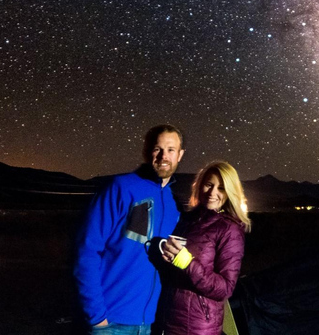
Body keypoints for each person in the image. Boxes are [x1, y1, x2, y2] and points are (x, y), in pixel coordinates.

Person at [74, 124, 186, 335]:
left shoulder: (173, 205)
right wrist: (97, 317)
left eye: (171, 150)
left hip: (148, 323)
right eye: (157, 149)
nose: (164, 156)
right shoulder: (120, 188)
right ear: (146, 151)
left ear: (180, 155)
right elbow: (87, 250)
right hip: (110, 321)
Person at [157, 160, 251, 335]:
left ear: (230, 192)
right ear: (200, 185)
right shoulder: (188, 220)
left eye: (221, 188)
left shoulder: (229, 229)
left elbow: (225, 288)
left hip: (198, 327)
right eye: (209, 184)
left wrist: (187, 263)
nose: (213, 192)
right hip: (169, 319)